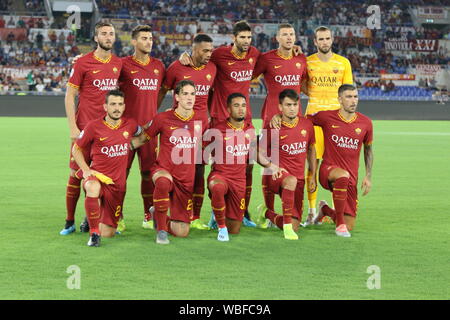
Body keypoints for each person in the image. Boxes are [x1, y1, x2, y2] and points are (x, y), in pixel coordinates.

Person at [273, 26, 353, 225]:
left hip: (336, 122)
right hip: (314, 120)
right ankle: (310, 210)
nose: (325, 42)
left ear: (332, 40)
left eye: (327, 38)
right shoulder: (307, 62)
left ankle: (334, 208)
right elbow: (297, 84)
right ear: (315, 42)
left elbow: (347, 91)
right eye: (321, 39)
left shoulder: (343, 63)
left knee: (339, 166)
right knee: (311, 165)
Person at [60, 22, 122, 236]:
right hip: (85, 129)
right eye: (103, 34)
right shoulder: (83, 63)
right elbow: (70, 95)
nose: (108, 37)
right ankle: (69, 221)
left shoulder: (118, 64)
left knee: (103, 176)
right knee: (75, 174)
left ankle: (94, 218)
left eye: (111, 34)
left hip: (107, 132)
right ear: (96, 38)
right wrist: (72, 127)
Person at [131, 80, 203, 244]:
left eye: (192, 94)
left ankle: (157, 214)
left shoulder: (201, 120)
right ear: (176, 96)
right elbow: (142, 139)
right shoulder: (162, 118)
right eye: (185, 93)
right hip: (163, 170)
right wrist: (119, 145)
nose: (189, 97)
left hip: (185, 180)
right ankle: (161, 231)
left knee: (182, 232)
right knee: (163, 182)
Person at [158, 34, 217, 230]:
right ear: (194, 49)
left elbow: (211, 95)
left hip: (201, 128)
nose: (209, 54)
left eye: (211, 50)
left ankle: (195, 216)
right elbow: (163, 90)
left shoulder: (212, 68)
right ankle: (160, 212)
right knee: (176, 169)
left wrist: (208, 116)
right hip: (179, 129)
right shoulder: (177, 67)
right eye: (205, 50)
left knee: (199, 170)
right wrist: (154, 115)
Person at [71, 90, 142, 246]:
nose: (116, 108)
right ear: (105, 106)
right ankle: (94, 234)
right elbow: (76, 149)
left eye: (120, 104)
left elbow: (142, 134)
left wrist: (131, 144)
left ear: (124, 107)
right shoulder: (93, 126)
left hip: (117, 186)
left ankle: (91, 219)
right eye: (112, 104)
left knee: (108, 234)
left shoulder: (130, 125)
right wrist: (86, 170)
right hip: (97, 177)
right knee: (92, 187)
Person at [252, 23, 308, 221]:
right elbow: (248, 77)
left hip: (294, 119)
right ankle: (268, 210)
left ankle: (293, 209)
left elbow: (305, 84)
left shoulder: (301, 58)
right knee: (268, 164)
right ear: (277, 38)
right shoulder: (267, 59)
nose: (289, 37)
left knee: (293, 163)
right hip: (271, 120)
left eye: (292, 34)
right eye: (284, 34)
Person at [309, 84, 373, 237]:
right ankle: (339, 227)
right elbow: (304, 121)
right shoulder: (326, 117)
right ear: (340, 99)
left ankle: (325, 210)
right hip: (328, 170)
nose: (353, 101)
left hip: (351, 179)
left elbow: (368, 150)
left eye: (355, 96)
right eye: (349, 97)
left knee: (349, 224)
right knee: (343, 175)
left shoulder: (366, 123)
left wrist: (368, 176)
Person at [118, 25, 166, 230]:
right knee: (120, 174)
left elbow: (164, 90)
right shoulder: (122, 65)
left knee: (148, 173)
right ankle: (116, 216)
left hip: (149, 132)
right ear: (134, 41)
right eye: (144, 38)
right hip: (125, 131)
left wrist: (152, 114)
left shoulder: (159, 66)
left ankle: (148, 215)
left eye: (151, 38)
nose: (149, 42)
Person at [258, 89, 317, 240]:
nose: (292, 108)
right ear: (280, 107)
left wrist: (312, 176)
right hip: (276, 175)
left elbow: (311, 150)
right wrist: (272, 167)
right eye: (288, 105)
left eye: (295, 104)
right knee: (290, 180)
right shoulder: (273, 126)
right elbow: (257, 153)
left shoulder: (306, 125)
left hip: (299, 179)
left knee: (295, 225)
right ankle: (286, 229)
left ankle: (266, 213)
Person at [205, 93, 258, 240]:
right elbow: (201, 148)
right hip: (220, 175)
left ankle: (219, 216)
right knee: (217, 187)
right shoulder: (217, 129)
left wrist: (272, 166)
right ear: (228, 109)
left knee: (234, 229)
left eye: (243, 105)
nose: (241, 109)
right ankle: (221, 229)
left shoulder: (250, 130)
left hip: (239, 181)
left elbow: (254, 154)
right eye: (236, 105)